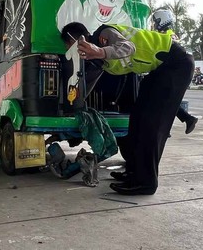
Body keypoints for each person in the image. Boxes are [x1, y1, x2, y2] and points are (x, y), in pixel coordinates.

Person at [60, 22, 194, 195]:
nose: (67, 50)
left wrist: (99, 51)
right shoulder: (97, 59)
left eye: (67, 45)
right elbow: (88, 83)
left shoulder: (105, 33)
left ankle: (146, 183)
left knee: (151, 126)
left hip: (176, 63)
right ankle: (133, 173)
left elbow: (127, 47)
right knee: (137, 120)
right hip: (159, 70)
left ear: (76, 40)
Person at [151, 9, 198, 134]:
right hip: (177, 71)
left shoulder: (165, 35)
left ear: (161, 20)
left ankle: (186, 119)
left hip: (173, 71)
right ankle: (186, 119)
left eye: (156, 21)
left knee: (163, 98)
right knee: (168, 99)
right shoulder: (171, 34)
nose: (154, 24)